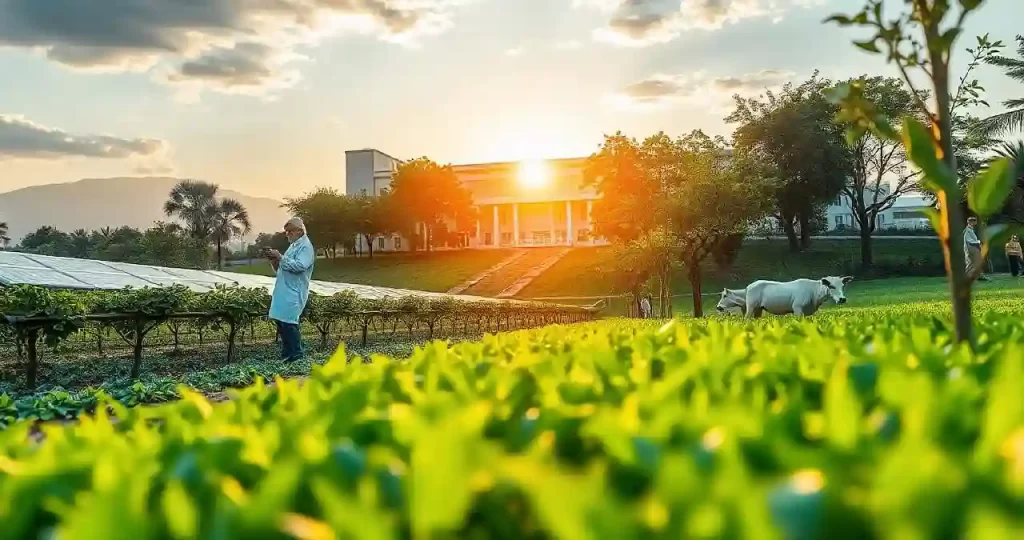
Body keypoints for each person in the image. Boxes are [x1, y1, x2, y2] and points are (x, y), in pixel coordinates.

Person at [264, 217, 315, 362]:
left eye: (290, 232)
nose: (287, 235)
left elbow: (299, 266)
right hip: (284, 290)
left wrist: (280, 257)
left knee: (289, 323)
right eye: (286, 232)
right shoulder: (294, 246)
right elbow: (282, 268)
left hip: (294, 291)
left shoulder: (305, 247)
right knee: (281, 322)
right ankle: (287, 354)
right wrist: (274, 260)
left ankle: (296, 354)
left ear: (299, 231)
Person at [964, 216, 989, 281]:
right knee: (971, 263)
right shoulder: (967, 231)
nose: (975, 223)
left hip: (973, 248)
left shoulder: (971, 230)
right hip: (970, 248)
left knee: (975, 262)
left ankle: (979, 276)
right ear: (970, 222)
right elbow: (969, 240)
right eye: (974, 221)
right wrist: (979, 242)